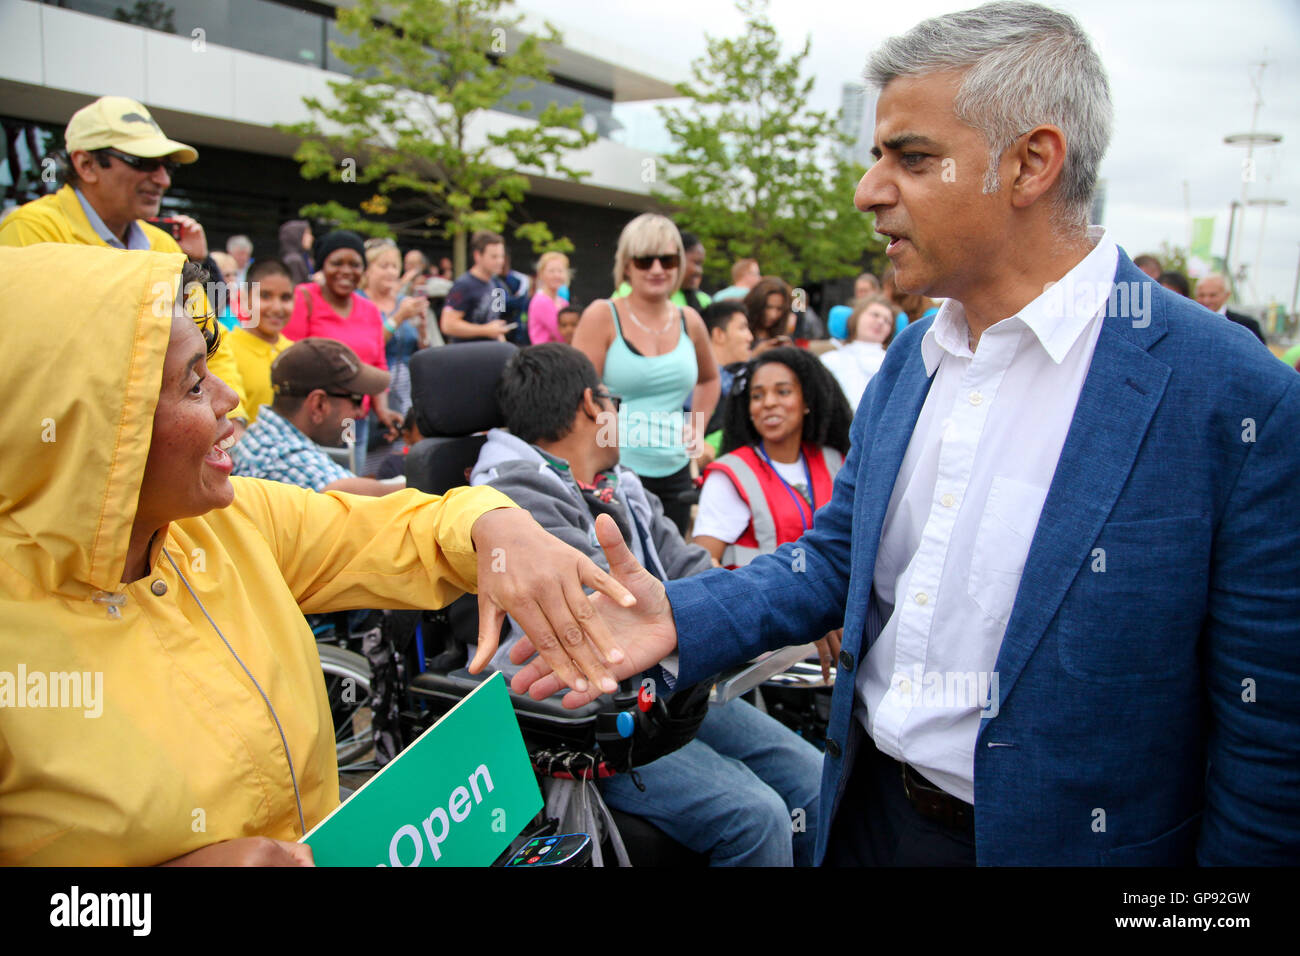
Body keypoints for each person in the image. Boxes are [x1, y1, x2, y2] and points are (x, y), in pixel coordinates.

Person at [497, 2, 1300, 867]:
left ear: (1030, 162)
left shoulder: (1235, 398)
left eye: (911, 158)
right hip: (867, 819)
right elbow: (837, 560)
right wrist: (678, 618)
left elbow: (1268, 752)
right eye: (879, 154)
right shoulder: (914, 358)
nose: (867, 189)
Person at [0, 242, 638, 865]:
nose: (230, 401)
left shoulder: (233, 520)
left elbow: (400, 531)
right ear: (101, 425)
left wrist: (495, 523)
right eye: (194, 385)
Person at [471, 343, 823, 866]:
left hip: (668, 688)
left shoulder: (622, 486)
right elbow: (609, 608)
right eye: (615, 402)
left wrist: (766, 606)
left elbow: (687, 567)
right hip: (588, 712)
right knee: (758, 816)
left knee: (815, 779)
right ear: (594, 404)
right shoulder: (513, 498)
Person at [0, 95, 255, 429]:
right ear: (85, 165)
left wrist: (233, 421)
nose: (163, 179)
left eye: (168, 166)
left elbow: (207, 338)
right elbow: (31, 361)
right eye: (143, 162)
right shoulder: (33, 230)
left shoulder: (162, 244)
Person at [571, 213, 721, 536]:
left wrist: (697, 428)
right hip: (615, 472)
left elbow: (709, 379)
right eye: (644, 260)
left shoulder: (690, 320)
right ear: (626, 265)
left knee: (669, 574)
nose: (657, 269)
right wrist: (603, 449)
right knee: (619, 573)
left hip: (677, 470)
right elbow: (579, 391)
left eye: (667, 260)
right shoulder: (602, 315)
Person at [283, 230, 403, 474]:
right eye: (337, 263)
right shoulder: (304, 298)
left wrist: (381, 409)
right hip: (311, 419)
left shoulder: (369, 310)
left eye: (355, 264)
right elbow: (290, 359)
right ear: (322, 265)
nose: (346, 271)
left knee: (347, 484)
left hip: (354, 420)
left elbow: (378, 363)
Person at [232, 338, 402, 496]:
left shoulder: (263, 435)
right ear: (318, 404)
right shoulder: (284, 456)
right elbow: (340, 491)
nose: (360, 412)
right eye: (357, 400)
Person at [361, 237, 429, 419]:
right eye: (384, 266)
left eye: (394, 266)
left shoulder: (403, 302)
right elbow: (368, 348)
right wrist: (398, 318)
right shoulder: (359, 302)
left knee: (401, 445)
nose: (390, 272)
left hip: (405, 395)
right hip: (367, 395)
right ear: (367, 270)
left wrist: (423, 327)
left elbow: (422, 350)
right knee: (355, 442)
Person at [223, 258, 296, 422]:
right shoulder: (225, 350)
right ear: (244, 299)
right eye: (265, 296)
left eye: (285, 298)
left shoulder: (295, 353)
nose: (277, 307)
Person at [699, 299, 755, 459]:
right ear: (719, 334)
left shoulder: (749, 380)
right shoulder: (691, 385)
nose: (750, 337)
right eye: (742, 328)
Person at [820, 294, 897, 409]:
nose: (881, 322)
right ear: (856, 317)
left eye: (887, 321)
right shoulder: (829, 360)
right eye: (875, 315)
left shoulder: (895, 365)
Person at [613, 229, 713, 313]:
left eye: (701, 264)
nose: (657, 270)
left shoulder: (704, 301)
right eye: (696, 263)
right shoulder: (628, 291)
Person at [439, 230, 512, 343]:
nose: (500, 261)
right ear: (478, 256)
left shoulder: (497, 284)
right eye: (494, 257)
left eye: (502, 256)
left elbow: (496, 320)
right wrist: (485, 330)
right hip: (467, 355)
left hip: (491, 353)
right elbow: (447, 325)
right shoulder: (462, 285)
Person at [1195, 272, 1267, 344]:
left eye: (1212, 295)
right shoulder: (1191, 322)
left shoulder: (1246, 325)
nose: (1206, 300)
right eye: (1201, 295)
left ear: (1227, 295)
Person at [527, 251, 571, 344]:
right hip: (546, 354)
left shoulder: (563, 302)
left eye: (560, 271)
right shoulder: (541, 301)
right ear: (541, 274)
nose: (556, 275)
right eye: (551, 271)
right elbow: (561, 333)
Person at [744, 276, 795, 352]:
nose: (773, 315)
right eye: (768, 307)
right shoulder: (741, 330)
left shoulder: (781, 332)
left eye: (779, 309)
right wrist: (755, 354)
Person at [278, 219, 313, 287]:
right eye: (307, 234)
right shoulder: (293, 260)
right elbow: (297, 288)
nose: (311, 237)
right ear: (297, 236)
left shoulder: (303, 257)